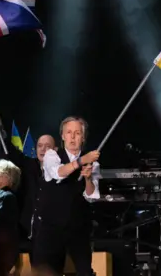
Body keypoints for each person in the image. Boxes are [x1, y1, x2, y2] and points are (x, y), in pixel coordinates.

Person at [32, 116, 101, 276]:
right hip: (51, 229)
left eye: (77, 133)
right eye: (69, 132)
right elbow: (58, 173)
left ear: (83, 138)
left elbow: (92, 196)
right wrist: (81, 161)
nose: (72, 137)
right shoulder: (52, 156)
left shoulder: (93, 163)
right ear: (62, 136)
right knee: (49, 272)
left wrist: (88, 178)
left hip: (78, 227)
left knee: (85, 272)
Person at [0, 109, 56, 247]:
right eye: (40, 146)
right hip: (27, 230)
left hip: (52, 232)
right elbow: (11, 152)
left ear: (55, 150)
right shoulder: (29, 165)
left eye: (47, 146)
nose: (43, 149)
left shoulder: (62, 171)